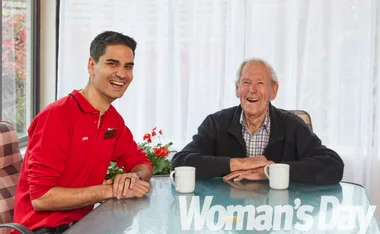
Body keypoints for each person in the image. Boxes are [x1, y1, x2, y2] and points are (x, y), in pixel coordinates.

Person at [12, 31, 153, 234]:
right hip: (42, 230)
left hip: (83, 226)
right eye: (112, 63)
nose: (122, 74)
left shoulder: (113, 120)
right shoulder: (56, 117)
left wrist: (133, 179)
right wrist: (109, 189)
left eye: (128, 66)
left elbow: (142, 164)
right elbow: (42, 198)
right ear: (91, 65)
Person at [172, 58, 344, 184]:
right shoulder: (216, 123)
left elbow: (333, 165)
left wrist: (271, 171)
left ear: (273, 91)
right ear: (237, 90)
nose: (252, 90)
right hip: (227, 213)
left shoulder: (292, 125)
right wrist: (242, 163)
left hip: (278, 214)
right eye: (246, 82)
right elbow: (180, 162)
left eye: (260, 83)